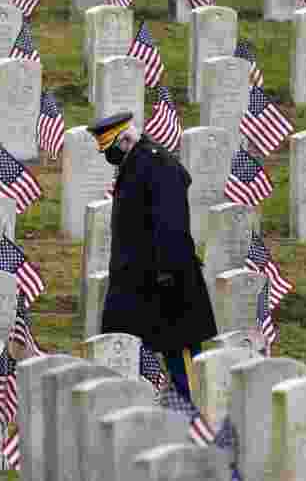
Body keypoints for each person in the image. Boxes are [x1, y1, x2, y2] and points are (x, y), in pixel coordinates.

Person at [87, 111, 217, 401]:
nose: (108, 157)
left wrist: (168, 272)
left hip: (166, 280)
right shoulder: (137, 161)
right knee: (119, 345)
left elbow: (170, 222)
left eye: (109, 150)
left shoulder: (156, 163)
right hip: (137, 279)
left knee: (180, 349)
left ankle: (196, 411)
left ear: (124, 141)